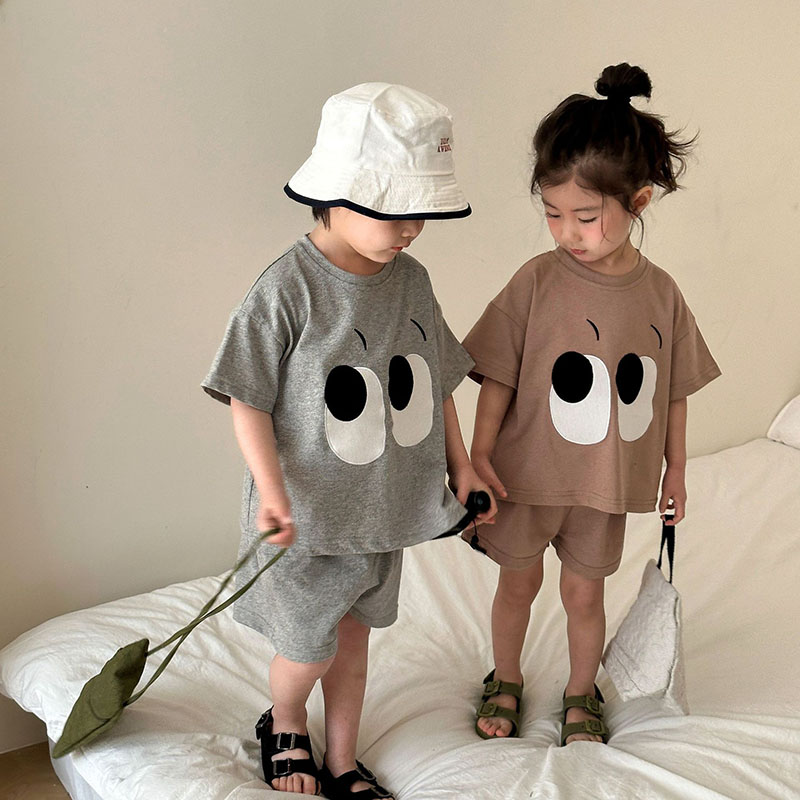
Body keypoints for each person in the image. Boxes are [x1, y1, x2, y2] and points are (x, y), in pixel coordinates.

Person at [203, 83, 492, 798]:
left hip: (382, 509)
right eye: (394, 210)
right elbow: (246, 398)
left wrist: (461, 468)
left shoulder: (412, 283)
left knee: (355, 646)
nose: (410, 229)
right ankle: (285, 720)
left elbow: (436, 381)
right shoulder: (287, 289)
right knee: (308, 649)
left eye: (421, 212)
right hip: (306, 518)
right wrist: (272, 494)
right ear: (334, 193)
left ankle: (341, 761)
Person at [462, 64, 721, 746]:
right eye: (552, 214)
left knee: (584, 595)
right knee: (517, 587)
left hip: (602, 485)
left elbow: (673, 390)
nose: (565, 232)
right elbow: (497, 375)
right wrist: (480, 454)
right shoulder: (536, 281)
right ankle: (505, 678)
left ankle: (581, 694)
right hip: (523, 478)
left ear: (638, 202)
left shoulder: (661, 294)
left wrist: (676, 470)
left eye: (583, 217)